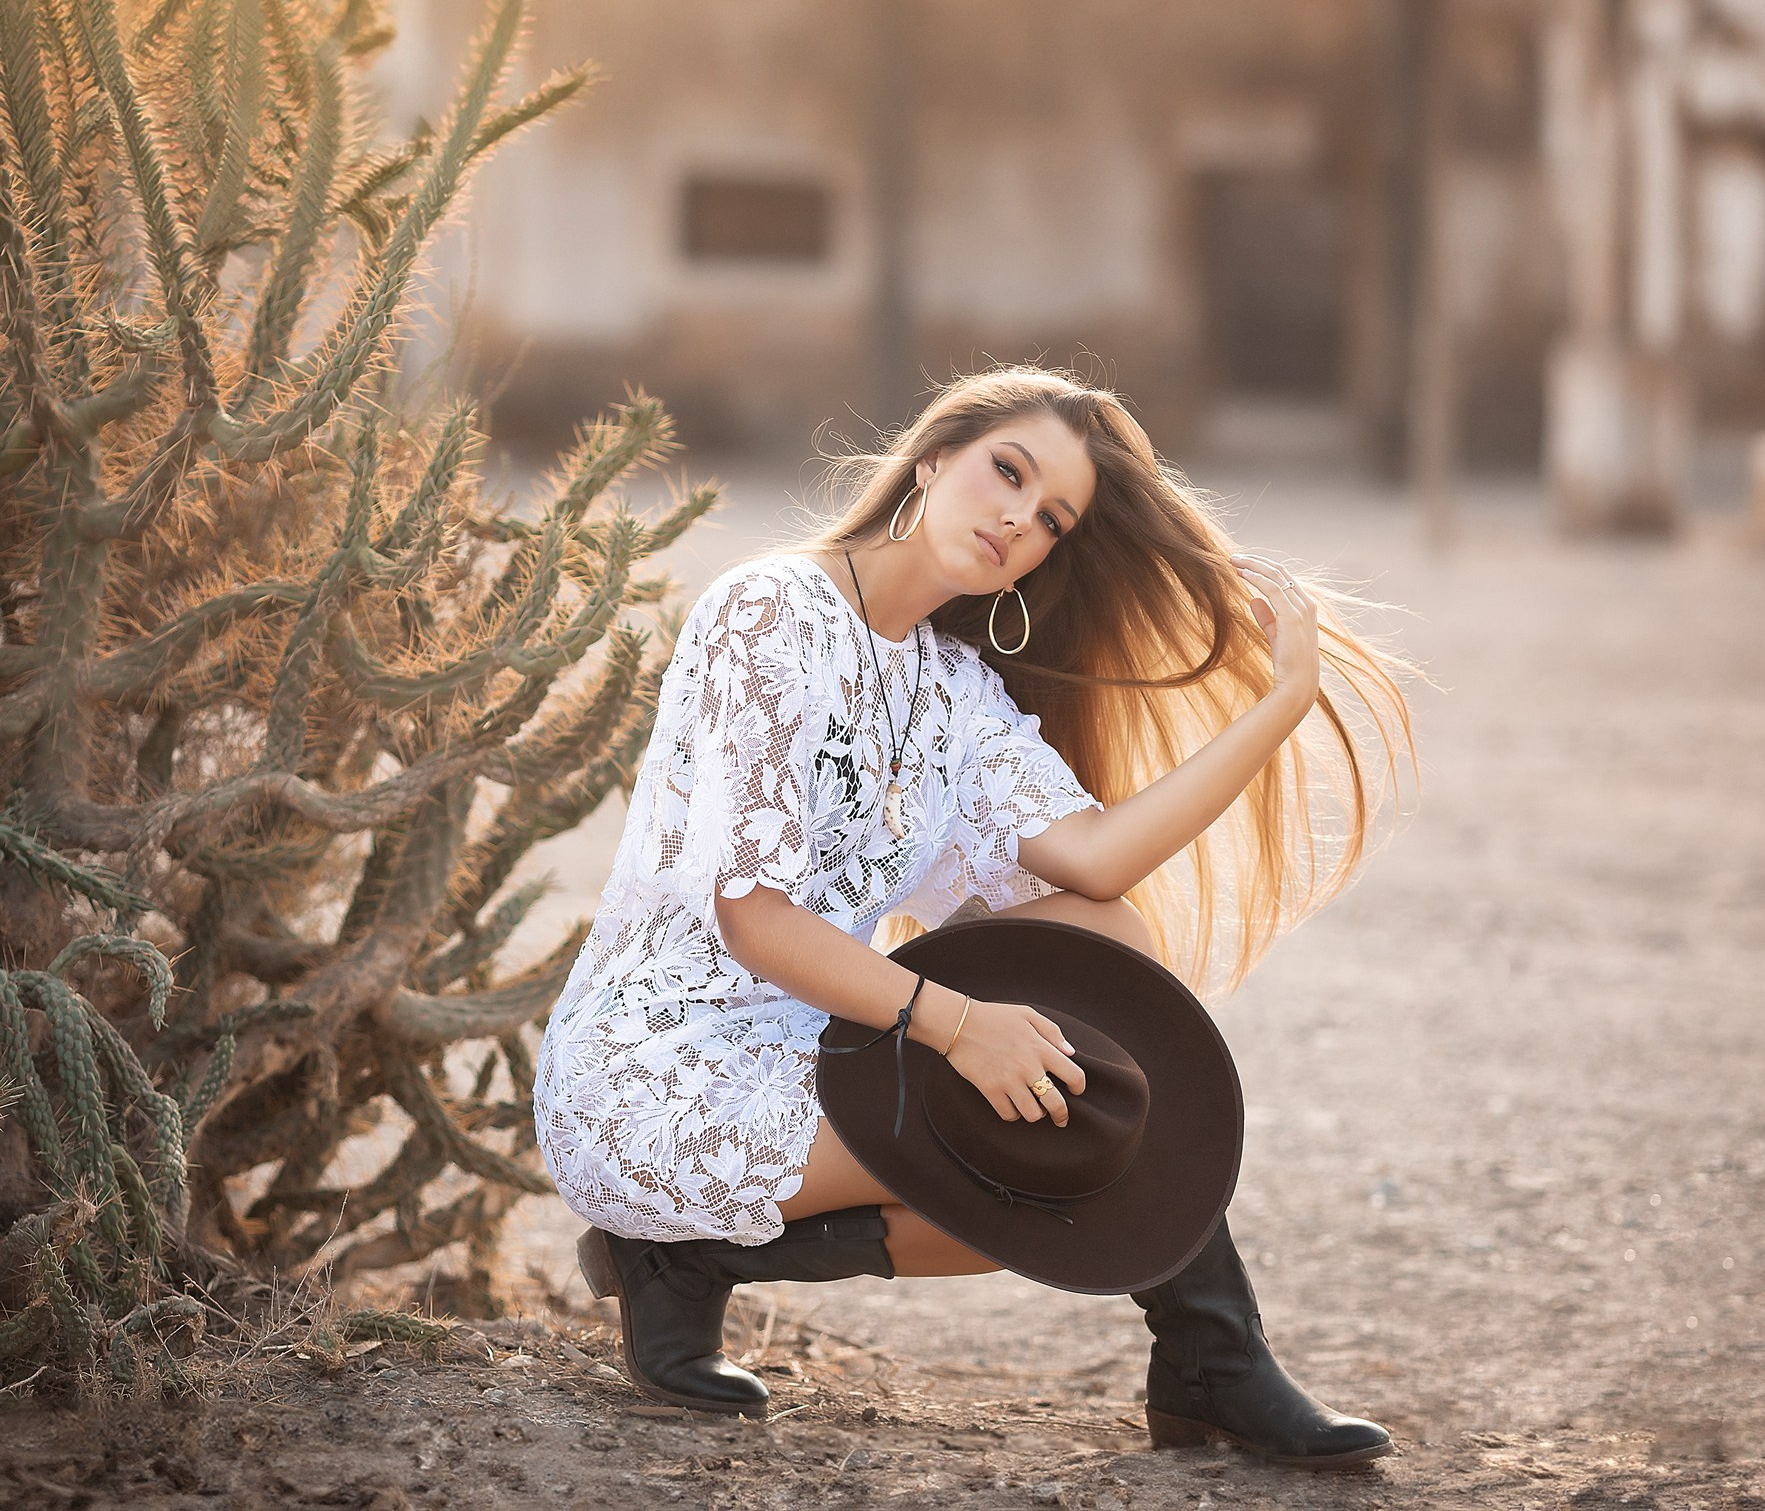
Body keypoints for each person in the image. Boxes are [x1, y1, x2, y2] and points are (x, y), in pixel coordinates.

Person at [533, 366, 1414, 1467]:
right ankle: (1211, 1357)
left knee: (1102, 1011)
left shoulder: (951, 686)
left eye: (1050, 518)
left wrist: (1279, 704)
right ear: (934, 455)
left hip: (815, 1046)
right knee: (1062, 1144)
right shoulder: (771, 612)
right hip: (655, 1065)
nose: (1017, 518)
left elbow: (1093, 858)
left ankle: (690, 1261)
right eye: (1007, 470)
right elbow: (753, 918)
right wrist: (958, 1022)